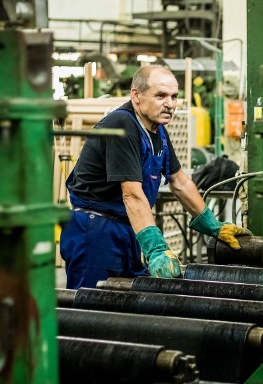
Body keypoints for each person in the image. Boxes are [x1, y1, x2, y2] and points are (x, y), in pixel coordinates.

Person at [61, 65, 250, 289]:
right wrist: (156, 248)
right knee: (92, 305)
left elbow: (179, 182)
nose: (169, 104)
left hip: (126, 228)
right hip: (95, 230)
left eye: (174, 96)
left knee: (125, 304)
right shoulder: (122, 125)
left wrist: (213, 225)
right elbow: (131, 194)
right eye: (160, 95)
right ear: (136, 96)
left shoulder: (157, 130)